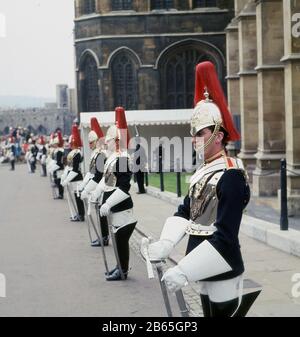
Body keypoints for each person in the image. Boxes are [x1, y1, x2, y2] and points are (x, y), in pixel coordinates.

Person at [145, 61, 252, 317]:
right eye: (192, 133)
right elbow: (185, 212)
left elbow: (225, 237)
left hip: (221, 265)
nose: (194, 139)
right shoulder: (202, 172)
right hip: (200, 265)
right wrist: (166, 243)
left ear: (218, 135)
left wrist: (184, 270)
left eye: (200, 133)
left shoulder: (231, 174)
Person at [90, 107, 137, 281]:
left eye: (109, 140)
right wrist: (96, 192)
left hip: (121, 207)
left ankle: (122, 270)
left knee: (120, 240)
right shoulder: (113, 157)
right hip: (113, 207)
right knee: (118, 240)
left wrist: (109, 203)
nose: (106, 143)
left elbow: (125, 187)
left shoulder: (123, 158)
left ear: (116, 140)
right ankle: (119, 267)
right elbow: (107, 180)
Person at [79, 117, 108, 247]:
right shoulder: (95, 155)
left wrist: (87, 189)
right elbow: (90, 173)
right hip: (96, 187)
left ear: (97, 142)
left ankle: (105, 237)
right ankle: (103, 236)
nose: (89, 145)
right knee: (99, 212)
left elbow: (98, 176)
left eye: (91, 143)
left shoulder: (101, 155)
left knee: (102, 213)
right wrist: (84, 185)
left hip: (103, 187)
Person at [61, 125, 85, 222]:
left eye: (71, 142)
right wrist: (65, 175)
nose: (70, 144)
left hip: (77, 178)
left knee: (79, 198)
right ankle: (79, 214)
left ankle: (81, 215)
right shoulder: (73, 153)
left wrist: (67, 180)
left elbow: (75, 169)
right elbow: (69, 167)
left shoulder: (77, 153)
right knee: (76, 197)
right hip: (74, 178)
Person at [49, 131, 65, 199]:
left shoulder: (59, 151)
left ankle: (61, 194)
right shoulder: (58, 151)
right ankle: (60, 194)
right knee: (58, 181)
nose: (54, 145)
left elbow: (59, 162)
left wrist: (52, 169)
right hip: (58, 167)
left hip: (59, 168)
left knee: (59, 182)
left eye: (55, 144)